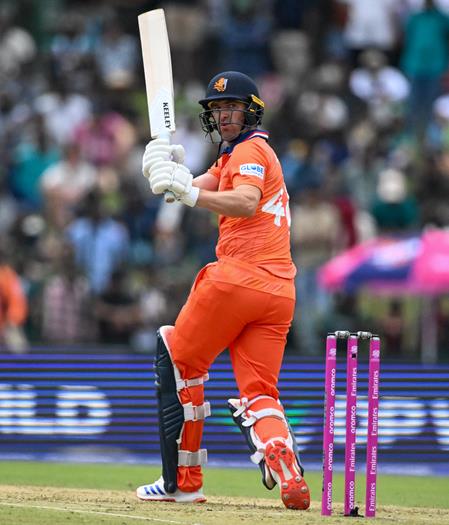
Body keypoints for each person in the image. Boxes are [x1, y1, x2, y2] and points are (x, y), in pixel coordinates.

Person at [135, 71, 310, 510]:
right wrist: (167, 172)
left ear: (252, 112)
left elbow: (245, 201)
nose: (224, 116)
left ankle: (182, 483)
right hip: (279, 293)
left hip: (236, 281)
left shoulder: (251, 150)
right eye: (217, 110)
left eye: (232, 107)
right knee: (259, 393)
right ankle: (282, 458)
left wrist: (187, 194)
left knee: (178, 360)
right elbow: (192, 189)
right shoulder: (234, 157)